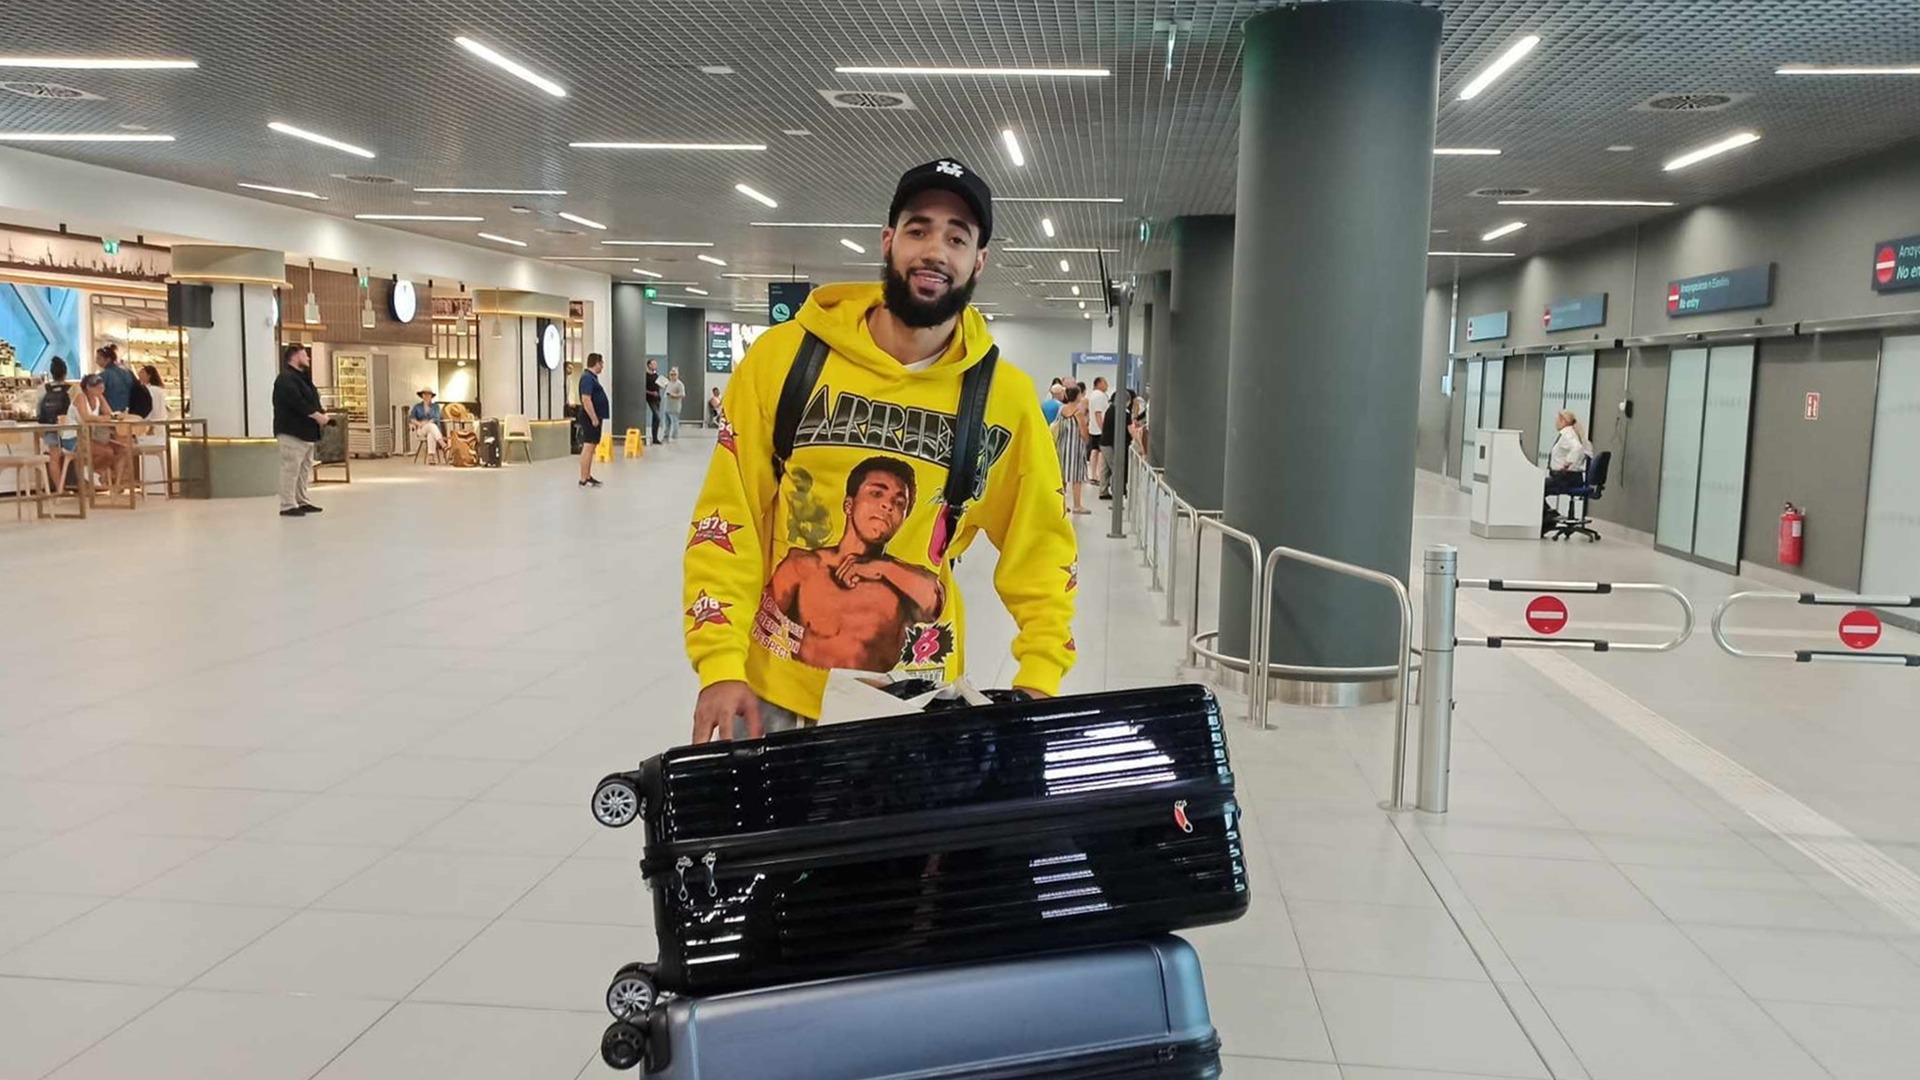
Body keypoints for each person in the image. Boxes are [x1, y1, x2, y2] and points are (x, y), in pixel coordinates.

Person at [684, 156, 1077, 742]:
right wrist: (718, 664)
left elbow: (1041, 544)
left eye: (957, 238)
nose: (935, 251)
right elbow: (728, 515)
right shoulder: (783, 359)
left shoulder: (1005, 398)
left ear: (979, 261)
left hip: (916, 702)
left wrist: (1040, 675)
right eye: (918, 230)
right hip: (773, 697)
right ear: (889, 241)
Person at [271, 343, 329, 517]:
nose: (308, 358)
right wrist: (316, 415)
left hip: (307, 432)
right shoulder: (285, 379)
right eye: (305, 355)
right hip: (292, 432)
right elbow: (297, 402)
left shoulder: (302, 378)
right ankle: (287, 504)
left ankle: (301, 500)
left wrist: (322, 413)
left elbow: (312, 399)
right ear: (295, 356)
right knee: (290, 469)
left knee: (303, 470)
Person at [73, 373, 132, 493]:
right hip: (75, 437)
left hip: (91, 436)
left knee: (122, 450)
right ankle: (92, 471)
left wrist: (116, 416)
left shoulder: (99, 397)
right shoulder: (80, 397)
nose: (101, 390)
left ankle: (116, 483)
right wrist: (105, 418)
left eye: (102, 388)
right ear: (88, 387)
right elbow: (86, 417)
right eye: (98, 388)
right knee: (107, 452)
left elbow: (109, 414)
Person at [35, 357, 75, 494]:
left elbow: (38, 409)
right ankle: (79, 484)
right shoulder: (72, 389)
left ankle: (59, 488)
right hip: (69, 429)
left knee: (54, 457)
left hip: (50, 426)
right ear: (65, 372)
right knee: (75, 454)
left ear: (51, 372)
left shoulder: (43, 388)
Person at [1055, 383, 1091, 515]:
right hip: (1075, 448)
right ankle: (1077, 505)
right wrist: (1086, 441)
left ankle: (1061, 504)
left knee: (1062, 476)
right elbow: (1083, 432)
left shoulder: (1062, 409)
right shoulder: (1078, 413)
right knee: (1077, 477)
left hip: (1062, 446)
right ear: (1077, 396)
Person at [577, 353, 608, 487]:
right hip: (590, 417)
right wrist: (594, 417)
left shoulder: (592, 378)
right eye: (601, 363)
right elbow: (586, 399)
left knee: (592, 446)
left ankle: (588, 475)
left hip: (594, 416)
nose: (602, 366)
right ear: (596, 363)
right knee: (588, 446)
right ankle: (584, 477)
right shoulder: (587, 378)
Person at [1086, 376, 1111, 499]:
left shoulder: (1093, 395)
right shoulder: (1099, 396)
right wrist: (1103, 429)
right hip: (1099, 429)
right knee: (1100, 453)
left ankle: (1093, 474)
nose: (1107, 385)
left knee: (1094, 451)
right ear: (1099, 383)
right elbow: (1098, 413)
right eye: (1105, 383)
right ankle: (1098, 476)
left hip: (1093, 428)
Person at [96, 343, 135, 413]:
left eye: (99, 358)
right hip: (126, 409)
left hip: (109, 411)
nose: (96, 361)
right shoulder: (127, 372)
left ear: (108, 359)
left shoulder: (103, 375)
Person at [409, 389, 446, 463]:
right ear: (422, 395)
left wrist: (426, 423)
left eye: (428, 394)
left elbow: (436, 418)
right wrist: (419, 424)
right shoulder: (417, 406)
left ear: (431, 396)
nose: (426, 396)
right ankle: (443, 445)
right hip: (421, 429)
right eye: (424, 394)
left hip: (433, 429)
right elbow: (412, 419)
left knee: (431, 432)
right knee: (431, 427)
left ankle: (431, 457)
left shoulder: (436, 407)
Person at [663, 367, 686, 442]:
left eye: (674, 374)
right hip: (667, 406)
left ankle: (674, 437)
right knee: (666, 423)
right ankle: (666, 436)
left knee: (674, 422)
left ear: (677, 375)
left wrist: (674, 395)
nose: (673, 376)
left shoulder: (679, 384)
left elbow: (682, 395)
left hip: (675, 407)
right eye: (671, 374)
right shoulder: (668, 383)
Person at [644, 358, 664, 445]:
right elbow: (643, 388)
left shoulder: (656, 375)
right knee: (657, 417)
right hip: (650, 398)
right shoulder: (645, 376)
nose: (656, 365)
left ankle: (655, 438)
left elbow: (657, 386)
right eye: (654, 364)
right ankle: (655, 437)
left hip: (657, 399)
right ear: (649, 365)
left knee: (655, 419)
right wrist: (651, 393)